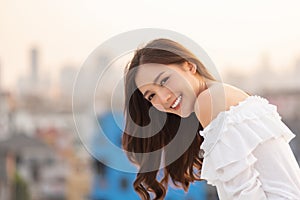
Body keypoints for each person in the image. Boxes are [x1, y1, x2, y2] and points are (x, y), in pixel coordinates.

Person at [122, 38, 300, 200]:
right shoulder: (223, 96)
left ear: (189, 66)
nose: (163, 98)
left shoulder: (209, 101)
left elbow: (243, 195)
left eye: (164, 81)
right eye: (151, 96)